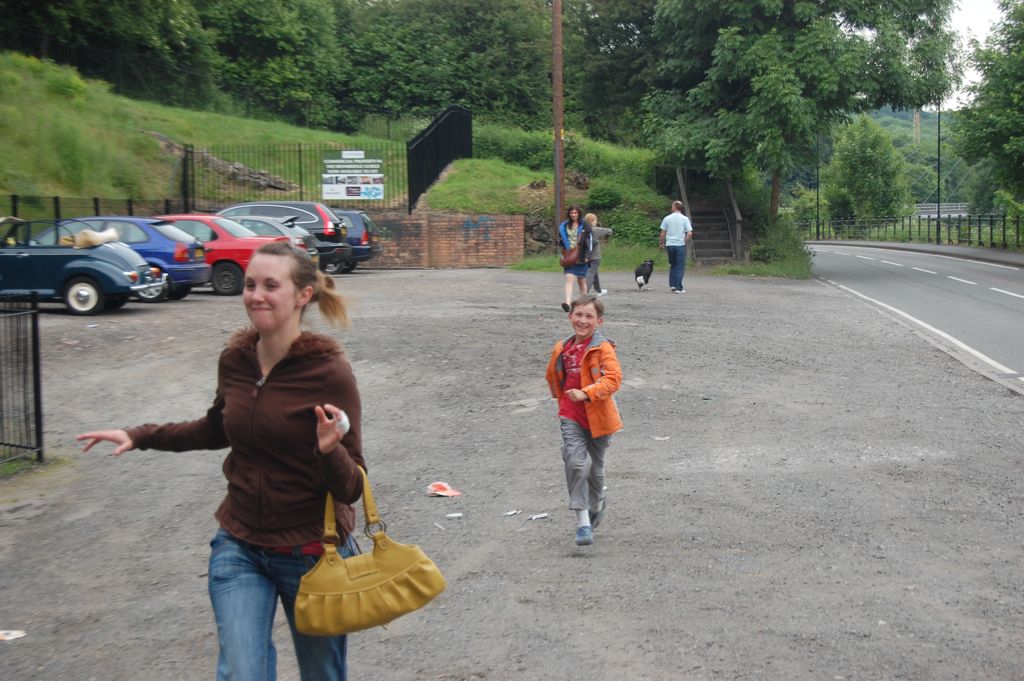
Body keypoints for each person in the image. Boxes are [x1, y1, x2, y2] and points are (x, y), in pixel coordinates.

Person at [77, 241, 365, 681]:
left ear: (303, 295)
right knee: (242, 672)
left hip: (312, 552)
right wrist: (138, 436)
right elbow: (214, 429)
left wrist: (330, 450)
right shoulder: (235, 360)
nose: (256, 295)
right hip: (240, 545)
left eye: (271, 285)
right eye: (250, 285)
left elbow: (352, 487)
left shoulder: (329, 372)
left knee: (322, 673)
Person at [545, 294, 623, 546]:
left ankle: (596, 502)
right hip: (570, 415)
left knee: (595, 470)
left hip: (599, 418)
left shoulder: (604, 348)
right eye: (578, 314)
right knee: (577, 464)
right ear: (570, 316)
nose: (582, 320)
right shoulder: (562, 348)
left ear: (599, 321)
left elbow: (613, 379)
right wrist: (563, 397)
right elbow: (553, 376)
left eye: (589, 316)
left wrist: (586, 393)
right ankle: (583, 524)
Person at [558, 205, 592, 311]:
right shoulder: (564, 226)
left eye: (575, 213)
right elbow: (560, 240)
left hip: (582, 256)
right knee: (569, 278)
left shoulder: (585, 225)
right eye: (571, 213)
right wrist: (562, 251)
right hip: (569, 256)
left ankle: (584, 303)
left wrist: (588, 256)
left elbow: (590, 242)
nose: (573, 215)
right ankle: (567, 303)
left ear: (579, 213)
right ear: (569, 214)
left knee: (581, 281)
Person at [659, 200, 693, 293]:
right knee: (680, 266)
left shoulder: (667, 218)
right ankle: (678, 287)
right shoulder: (685, 219)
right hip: (680, 245)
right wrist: (685, 241)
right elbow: (689, 233)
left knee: (673, 264)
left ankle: (672, 285)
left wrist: (661, 243)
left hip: (670, 244)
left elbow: (662, 234)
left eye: (672, 206)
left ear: (674, 207)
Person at [583, 213, 613, 295]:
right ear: (592, 221)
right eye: (596, 220)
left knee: (593, 272)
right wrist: (606, 236)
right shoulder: (596, 229)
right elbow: (610, 231)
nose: (596, 221)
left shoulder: (583, 230)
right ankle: (586, 291)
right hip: (595, 255)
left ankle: (598, 290)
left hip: (585, 255)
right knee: (591, 272)